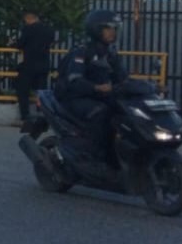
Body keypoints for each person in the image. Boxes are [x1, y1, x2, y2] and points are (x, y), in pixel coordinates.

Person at [55, 10, 129, 162]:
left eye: (115, 28)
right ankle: (94, 155)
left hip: (99, 96)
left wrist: (149, 86)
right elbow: (74, 80)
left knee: (125, 110)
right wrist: (96, 87)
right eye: (108, 28)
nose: (113, 32)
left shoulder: (110, 53)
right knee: (101, 113)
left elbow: (122, 78)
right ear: (96, 29)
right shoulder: (82, 51)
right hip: (75, 98)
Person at [12, 7, 55, 131]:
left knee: (23, 90)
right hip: (43, 65)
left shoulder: (28, 29)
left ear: (28, 19)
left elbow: (20, 44)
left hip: (29, 65)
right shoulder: (48, 30)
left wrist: (12, 43)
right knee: (42, 91)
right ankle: (42, 113)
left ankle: (25, 115)